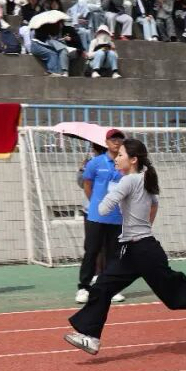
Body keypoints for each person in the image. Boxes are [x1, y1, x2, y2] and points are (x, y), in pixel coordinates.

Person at [65, 139, 186, 355]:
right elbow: (152, 206)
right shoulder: (144, 178)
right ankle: (91, 336)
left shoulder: (129, 181)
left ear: (133, 160)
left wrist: (109, 188)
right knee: (103, 286)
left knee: (176, 298)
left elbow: (102, 209)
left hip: (144, 251)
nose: (116, 159)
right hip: (133, 249)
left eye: (120, 155)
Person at [76, 129, 126, 305]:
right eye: (113, 139)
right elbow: (87, 184)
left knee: (114, 254)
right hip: (96, 216)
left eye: (119, 138)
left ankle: (110, 288)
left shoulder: (126, 163)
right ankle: (84, 287)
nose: (116, 141)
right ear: (106, 142)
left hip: (117, 216)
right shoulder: (95, 163)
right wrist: (97, 205)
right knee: (92, 251)